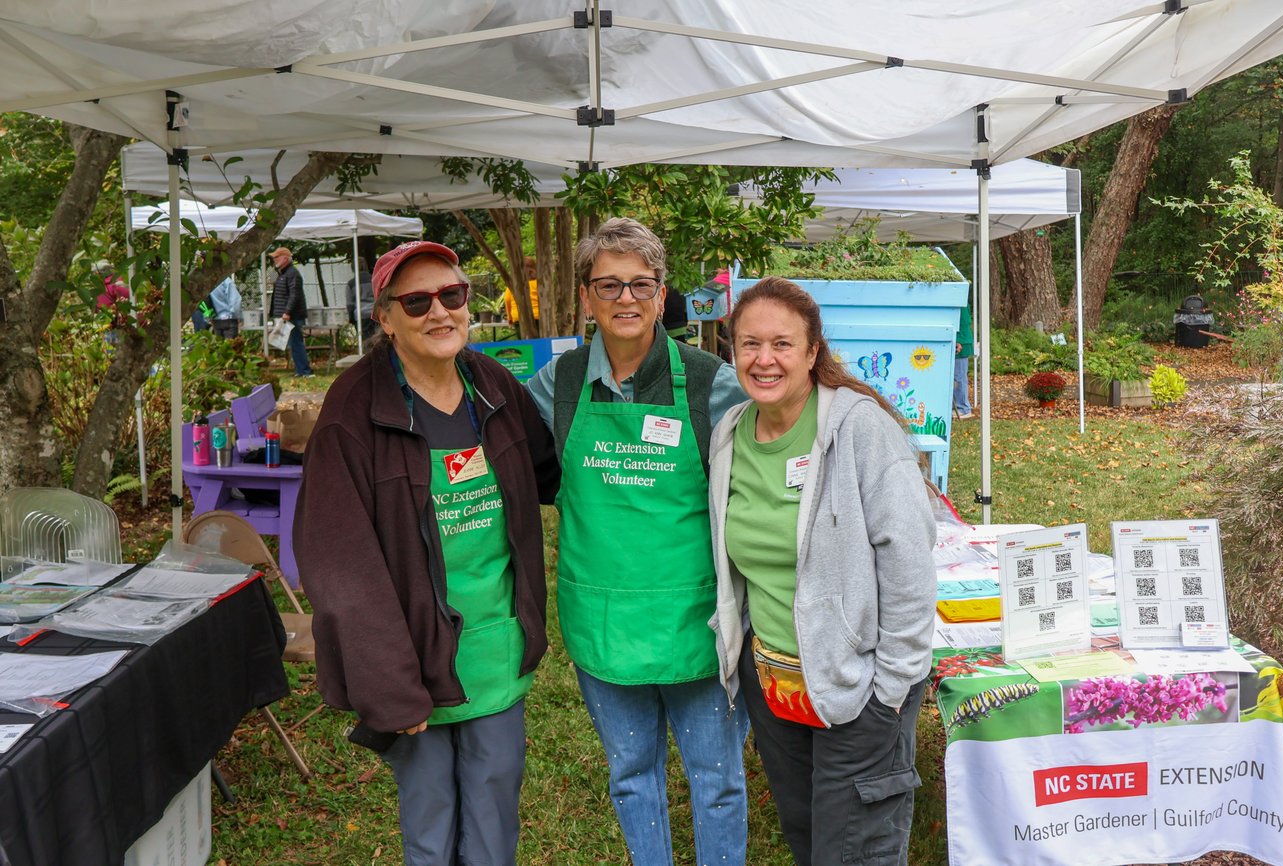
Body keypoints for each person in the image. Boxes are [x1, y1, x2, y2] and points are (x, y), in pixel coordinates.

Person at [296, 240, 560, 866]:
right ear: (385, 318)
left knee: (495, 805)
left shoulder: (491, 383)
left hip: (495, 647)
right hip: (411, 657)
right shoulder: (351, 413)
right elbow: (341, 569)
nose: (439, 312)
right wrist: (389, 686)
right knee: (431, 815)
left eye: (452, 294)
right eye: (416, 302)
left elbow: (548, 472)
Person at [526, 217, 751, 866]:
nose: (626, 299)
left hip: (698, 621)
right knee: (630, 775)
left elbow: (761, 488)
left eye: (640, 285)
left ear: (660, 293)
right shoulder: (558, 384)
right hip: (603, 620)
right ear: (587, 296)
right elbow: (503, 450)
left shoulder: (711, 381)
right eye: (609, 285)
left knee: (717, 781)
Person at [708, 276, 937, 866]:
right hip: (777, 685)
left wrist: (892, 689)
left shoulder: (859, 429)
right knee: (809, 840)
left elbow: (909, 560)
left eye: (782, 344)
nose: (764, 360)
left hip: (859, 689)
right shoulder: (730, 435)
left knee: (855, 853)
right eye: (749, 344)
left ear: (813, 352)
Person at [269, 246, 312, 376]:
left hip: (292, 316)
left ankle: (305, 371)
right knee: (293, 344)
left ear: (285, 258)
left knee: (296, 343)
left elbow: (294, 294)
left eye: (277, 257)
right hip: (287, 315)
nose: (275, 260)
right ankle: (300, 370)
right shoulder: (284, 274)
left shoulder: (292, 274)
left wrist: (287, 312)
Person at [345, 261, 377, 346]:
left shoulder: (351, 283)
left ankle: (368, 355)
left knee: (365, 340)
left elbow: (350, 304)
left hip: (360, 313)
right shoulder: (374, 279)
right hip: (375, 312)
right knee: (377, 338)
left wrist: (351, 318)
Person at [503, 256, 540, 326]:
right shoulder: (540, 284)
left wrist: (510, 319)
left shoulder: (513, 285)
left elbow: (507, 300)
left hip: (518, 318)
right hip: (538, 317)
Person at [954, 292, 974, 420]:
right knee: (956, 377)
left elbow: (964, 322)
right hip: (958, 342)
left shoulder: (960, 303)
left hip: (961, 344)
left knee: (959, 377)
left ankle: (963, 408)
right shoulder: (957, 301)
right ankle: (958, 406)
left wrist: (959, 340)